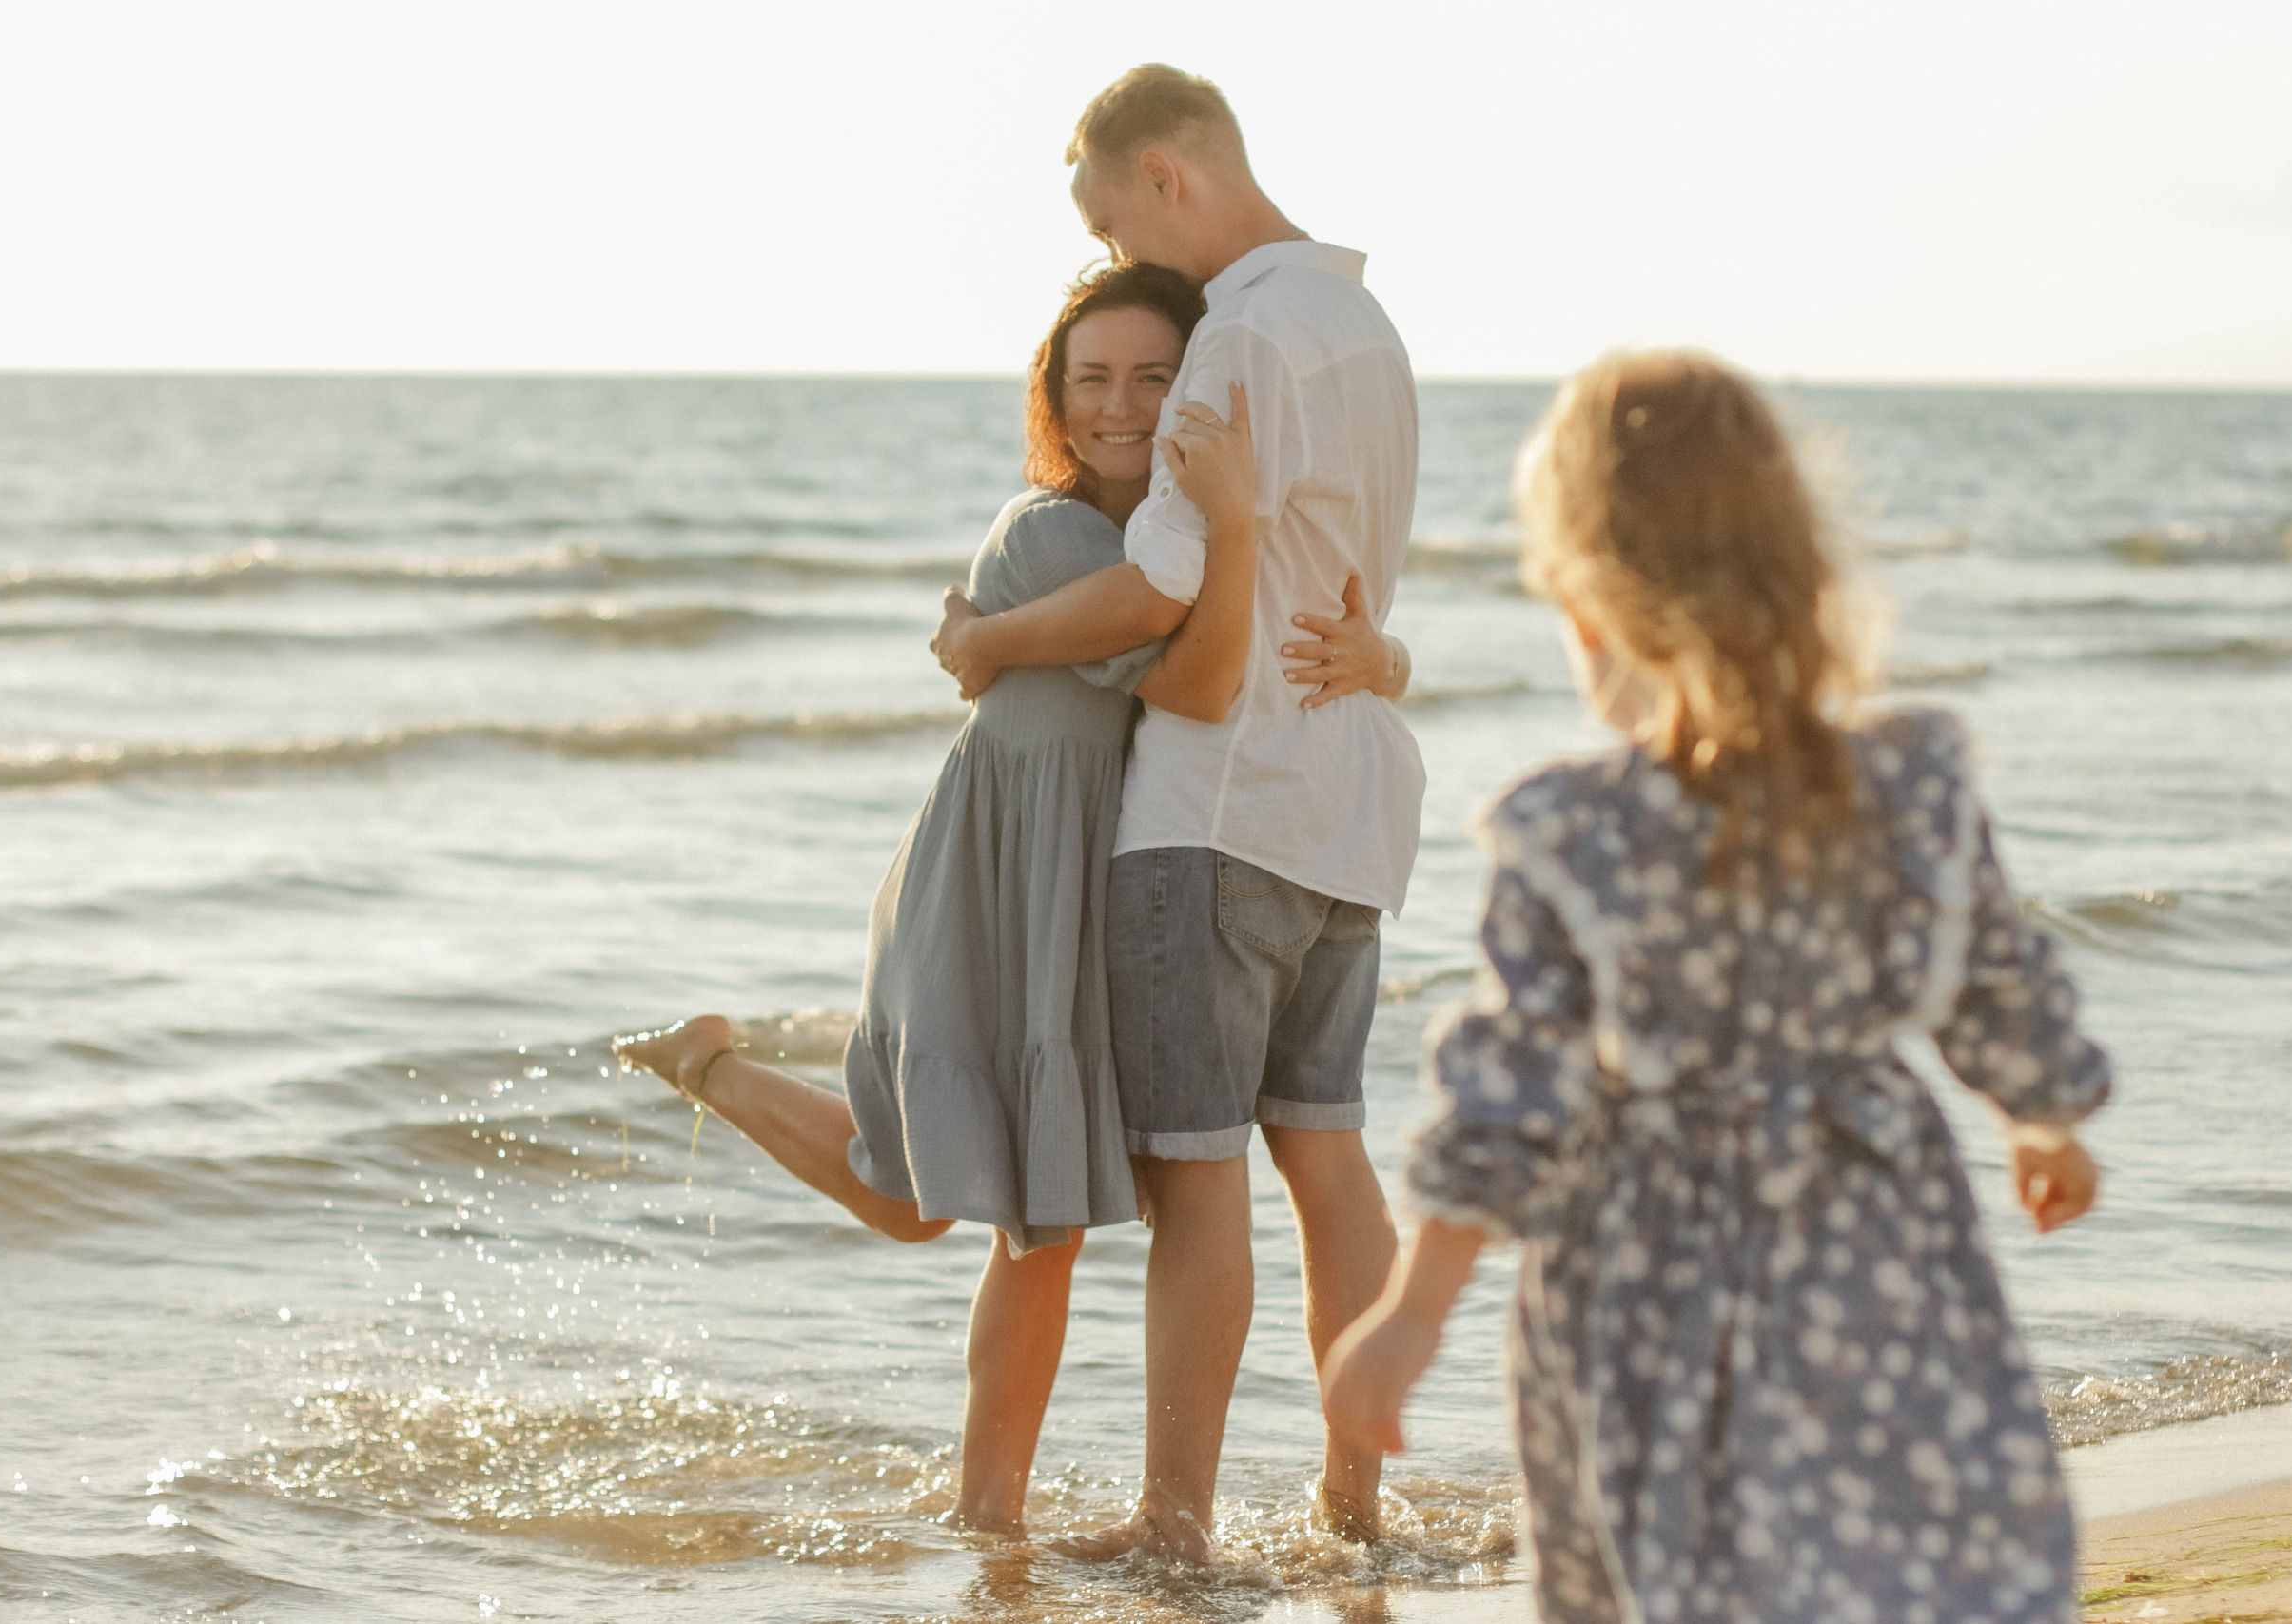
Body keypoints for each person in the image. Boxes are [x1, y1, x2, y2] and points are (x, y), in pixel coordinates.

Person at [615, 262, 1409, 1536]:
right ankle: (713, 1067)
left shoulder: (1173, 541)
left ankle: (992, 1531)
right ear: (1054, 396)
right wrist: (1245, 548)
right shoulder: (1055, 540)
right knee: (925, 1203)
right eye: (1090, 378)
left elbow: (1265, 647)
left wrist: (1387, 655)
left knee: (1030, 1221)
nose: (1121, 405)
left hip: (1091, 903)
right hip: (999, 898)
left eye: (1155, 375)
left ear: (1197, 382)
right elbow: (1209, 678)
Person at [1322, 351, 2113, 1624]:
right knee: (1910, 1538)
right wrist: (2043, 1119)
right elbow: (1996, 979)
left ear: (1587, 607)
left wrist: (1414, 1313)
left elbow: (1510, 1090)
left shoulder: (1576, 835)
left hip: (1646, 1265)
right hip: (1876, 1246)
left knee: (1675, 1557)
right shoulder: (1907, 785)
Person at [931, 64, 1425, 1560]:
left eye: (1107, 209)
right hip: (1346, 809)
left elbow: (1160, 588)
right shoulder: (1369, 329)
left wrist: (987, 640)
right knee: (1328, 1160)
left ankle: (1175, 1521)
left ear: (1164, 175)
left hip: (1211, 815)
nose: (1120, 246)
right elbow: (1351, 573)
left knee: (1199, 1184)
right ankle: (1352, 1507)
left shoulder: (1235, 342)